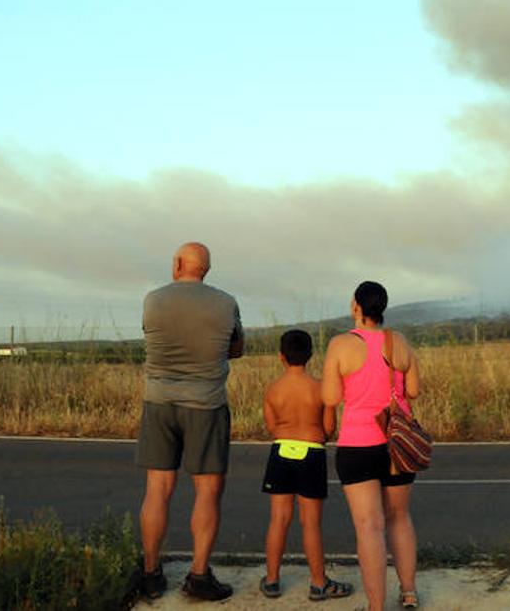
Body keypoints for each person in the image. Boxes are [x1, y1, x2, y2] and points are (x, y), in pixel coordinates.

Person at [136, 241, 244, 602]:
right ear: (206, 269)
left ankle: (151, 573)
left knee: (157, 489)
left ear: (178, 263)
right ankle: (199, 576)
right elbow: (236, 349)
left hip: (159, 402)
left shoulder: (153, 300)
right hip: (206, 405)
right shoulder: (226, 303)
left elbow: (150, 338)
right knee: (208, 491)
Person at [321, 281, 422, 611]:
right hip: (397, 444)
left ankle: (376, 606)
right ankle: (408, 593)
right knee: (400, 518)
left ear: (356, 307)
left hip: (359, 444)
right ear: (383, 308)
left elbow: (332, 398)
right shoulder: (400, 342)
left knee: (369, 527)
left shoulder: (340, 344)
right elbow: (414, 391)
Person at [259, 329, 355, 602]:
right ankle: (318, 583)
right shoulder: (320, 388)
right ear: (311, 355)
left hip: (281, 452)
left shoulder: (273, 389)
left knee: (279, 518)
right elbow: (328, 428)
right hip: (312, 452)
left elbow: (271, 427)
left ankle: (272, 579)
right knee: (310, 522)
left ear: (281, 356)